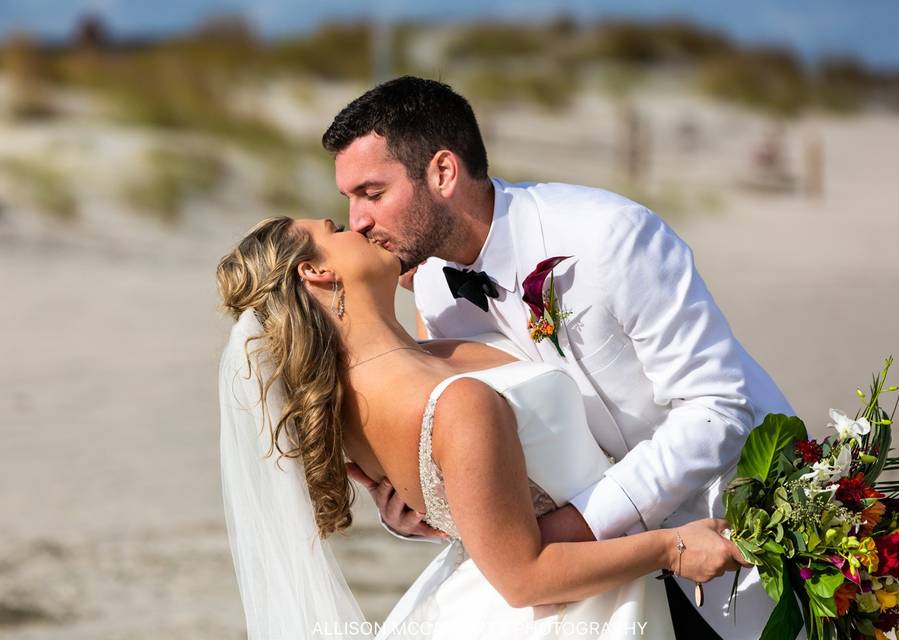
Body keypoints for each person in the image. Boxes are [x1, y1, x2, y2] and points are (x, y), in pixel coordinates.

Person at [320, 76, 796, 639]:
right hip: (588, 581)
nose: (357, 221)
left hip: (739, 538)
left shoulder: (612, 236)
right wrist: (431, 510)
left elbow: (717, 407)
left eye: (372, 193)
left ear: (443, 173)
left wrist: (578, 527)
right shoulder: (432, 292)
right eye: (350, 199)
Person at [216, 216, 748, 639]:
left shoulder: (386, 385)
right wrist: (670, 548)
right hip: (570, 610)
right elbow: (525, 578)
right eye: (334, 231)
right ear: (317, 273)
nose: (358, 226)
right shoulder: (457, 402)